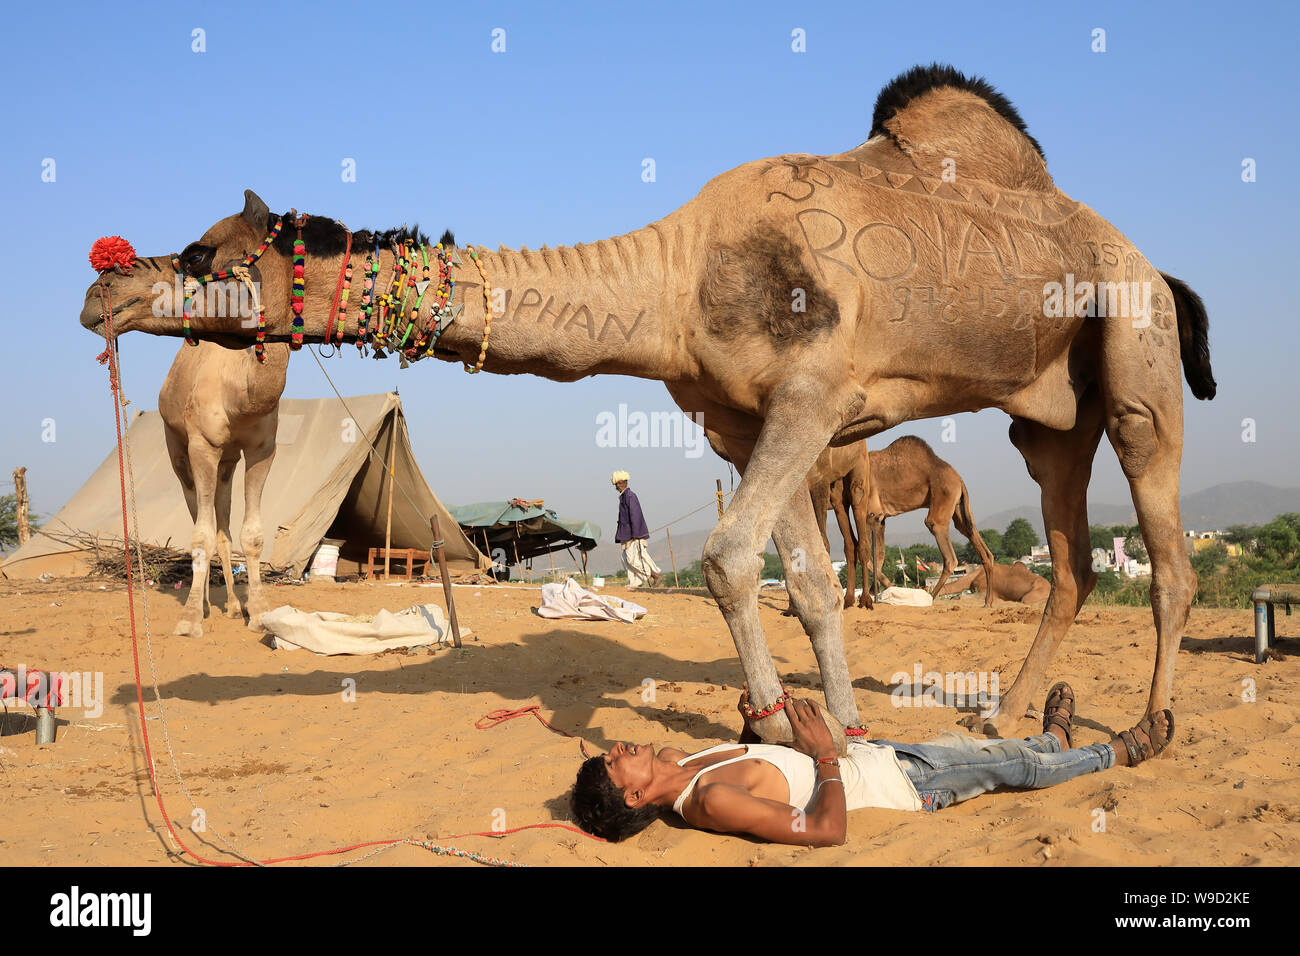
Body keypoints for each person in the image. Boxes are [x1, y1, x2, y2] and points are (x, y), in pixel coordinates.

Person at [570, 683, 1173, 845]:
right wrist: (826, 757)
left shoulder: (679, 760)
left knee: (995, 752)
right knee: (1014, 769)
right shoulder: (707, 803)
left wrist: (753, 726)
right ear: (631, 798)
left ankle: (1055, 735)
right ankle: (1116, 751)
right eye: (614, 763)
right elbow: (828, 831)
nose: (620, 748)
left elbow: (758, 763)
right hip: (903, 788)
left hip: (885, 757)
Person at [611, 470, 661, 588]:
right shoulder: (623, 497)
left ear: (624, 483)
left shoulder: (630, 496)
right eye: (616, 484)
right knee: (627, 560)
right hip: (626, 534)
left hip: (633, 534)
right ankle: (635, 582)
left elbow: (635, 515)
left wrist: (636, 533)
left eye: (619, 483)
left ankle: (654, 575)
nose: (617, 486)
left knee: (633, 559)